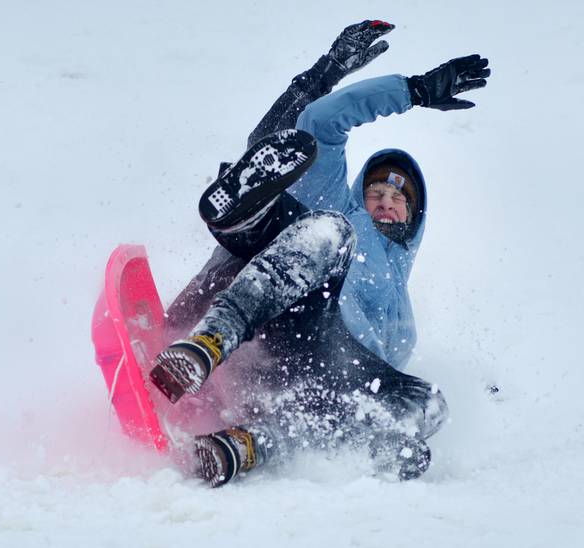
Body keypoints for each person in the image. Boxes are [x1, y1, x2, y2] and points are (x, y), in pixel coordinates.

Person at [150, 22, 491, 487]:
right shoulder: (340, 206)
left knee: (429, 401)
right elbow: (315, 125)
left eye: (400, 196)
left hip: (327, 386)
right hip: (289, 321)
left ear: (417, 214)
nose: (387, 198)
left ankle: (247, 446)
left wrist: (449, 403)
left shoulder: (404, 308)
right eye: (377, 189)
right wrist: (409, 89)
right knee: (324, 226)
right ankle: (207, 342)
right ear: (359, 191)